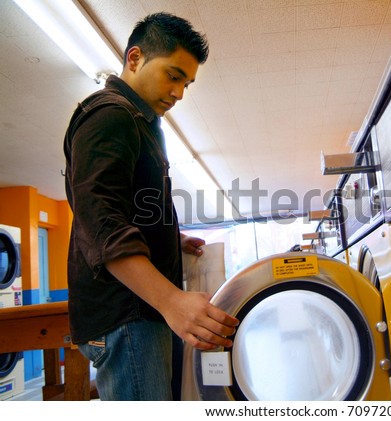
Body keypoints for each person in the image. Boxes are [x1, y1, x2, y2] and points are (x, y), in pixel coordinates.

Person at [63, 12, 239, 400]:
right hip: (129, 314)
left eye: (186, 84)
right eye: (173, 75)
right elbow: (102, 224)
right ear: (135, 58)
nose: (179, 92)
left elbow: (125, 211)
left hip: (141, 311)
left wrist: (171, 239)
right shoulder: (110, 115)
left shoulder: (141, 122)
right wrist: (172, 301)